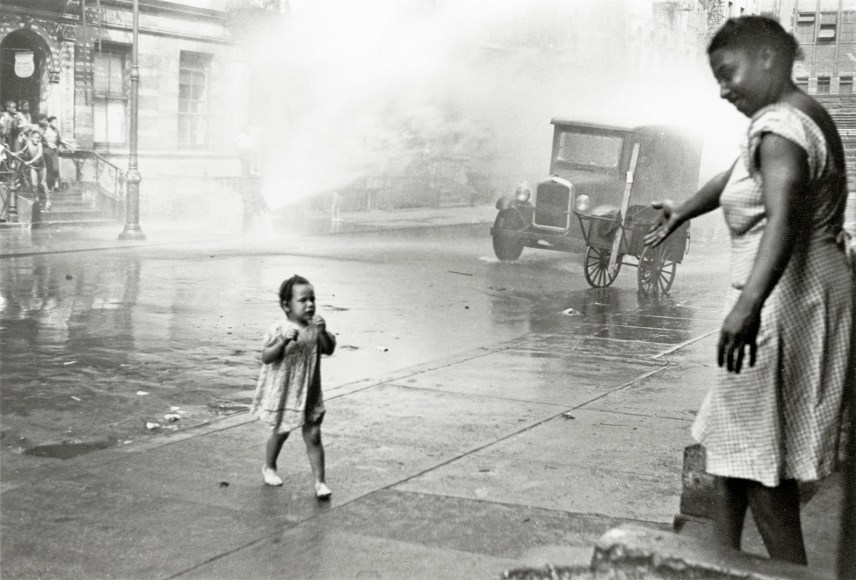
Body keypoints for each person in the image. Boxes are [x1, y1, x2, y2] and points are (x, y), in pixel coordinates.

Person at [644, 16, 854, 565]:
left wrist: (747, 305)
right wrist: (684, 208)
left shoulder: (781, 130)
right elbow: (736, 175)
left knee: (760, 462)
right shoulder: (785, 121)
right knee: (728, 443)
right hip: (798, 294)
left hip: (783, 300)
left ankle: (787, 572)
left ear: (767, 58)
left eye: (728, 72)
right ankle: (721, 559)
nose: (722, 88)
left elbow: (782, 219)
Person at [250, 274, 336, 499]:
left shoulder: (315, 328)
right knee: (281, 431)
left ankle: (320, 482)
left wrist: (322, 333)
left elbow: (328, 349)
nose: (310, 304)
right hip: (286, 392)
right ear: (286, 305)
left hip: (309, 391)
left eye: (312, 299)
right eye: (303, 300)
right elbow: (266, 357)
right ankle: (269, 466)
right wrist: (283, 341)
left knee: (314, 434)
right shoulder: (279, 329)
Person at [19, 128, 48, 209]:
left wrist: (30, 161)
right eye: (35, 137)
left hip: (42, 166)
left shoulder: (40, 144)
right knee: (34, 184)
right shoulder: (28, 143)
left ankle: (48, 201)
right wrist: (16, 153)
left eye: (38, 138)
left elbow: (39, 154)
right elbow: (22, 151)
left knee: (43, 183)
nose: (36, 139)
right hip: (34, 167)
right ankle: (37, 200)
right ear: (31, 138)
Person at [42, 116, 65, 193]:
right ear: (49, 123)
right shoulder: (45, 130)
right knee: (49, 169)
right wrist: (47, 144)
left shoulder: (57, 131)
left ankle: (56, 185)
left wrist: (64, 145)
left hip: (54, 151)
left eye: (56, 122)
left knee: (55, 168)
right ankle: (48, 187)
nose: (56, 123)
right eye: (54, 122)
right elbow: (42, 140)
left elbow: (59, 140)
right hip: (47, 151)